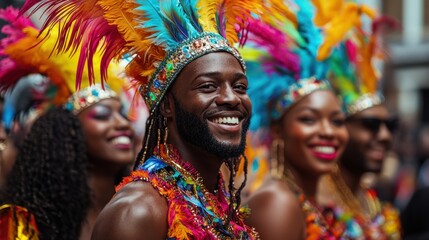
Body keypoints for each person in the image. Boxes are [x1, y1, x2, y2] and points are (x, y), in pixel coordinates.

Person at [21, 0, 263, 239]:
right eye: (208, 86)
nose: (231, 98)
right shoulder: (138, 212)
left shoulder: (217, 202)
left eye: (240, 86)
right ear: (167, 106)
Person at [0, 8, 135, 239]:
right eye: (102, 115)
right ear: (67, 131)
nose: (123, 124)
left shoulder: (147, 209)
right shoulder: (22, 224)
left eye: (122, 113)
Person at [239, 1, 350, 239]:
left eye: (337, 121)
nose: (328, 132)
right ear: (278, 130)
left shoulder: (311, 201)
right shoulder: (276, 203)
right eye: (309, 120)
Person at [314, 1, 402, 238]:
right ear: (339, 128)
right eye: (371, 125)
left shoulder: (374, 202)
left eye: (390, 126)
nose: (384, 136)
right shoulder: (314, 204)